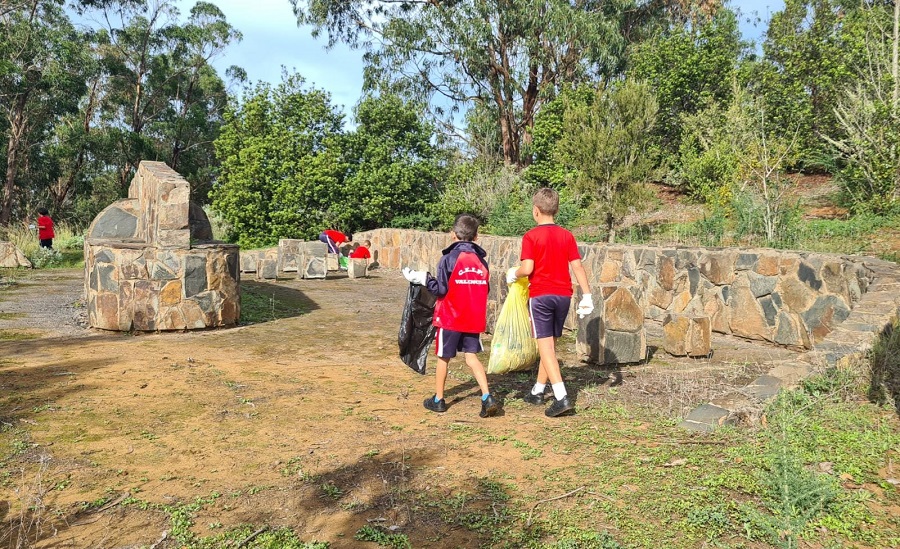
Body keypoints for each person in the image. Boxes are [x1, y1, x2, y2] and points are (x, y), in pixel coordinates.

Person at [402, 214, 500, 418]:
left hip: (451, 317)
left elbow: (441, 289)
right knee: (471, 357)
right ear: (476, 236)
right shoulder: (481, 261)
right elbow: (486, 288)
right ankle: (487, 396)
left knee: (443, 358)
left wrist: (424, 279)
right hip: (473, 318)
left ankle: (438, 399)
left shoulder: (448, 259)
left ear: (453, 234)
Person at [506, 188, 593, 417]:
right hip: (563, 296)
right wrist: (587, 295)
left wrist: (513, 274)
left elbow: (528, 269)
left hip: (541, 296)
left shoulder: (531, 236)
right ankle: (537, 390)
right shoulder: (567, 235)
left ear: (536, 211)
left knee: (545, 348)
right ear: (557, 209)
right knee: (549, 347)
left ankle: (561, 397)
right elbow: (577, 266)